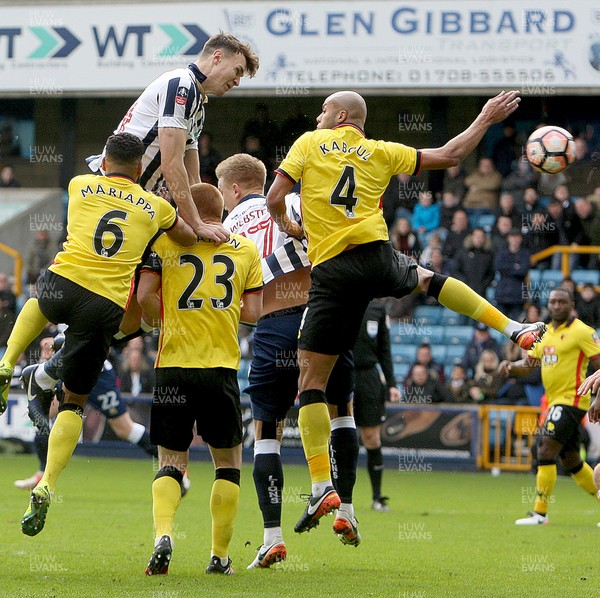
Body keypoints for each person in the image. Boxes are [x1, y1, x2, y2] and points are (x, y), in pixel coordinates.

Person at [265, 89, 547, 535]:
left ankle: (321, 483)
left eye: (323, 111)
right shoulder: (382, 151)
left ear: (339, 115)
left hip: (333, 270)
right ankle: (513, 327)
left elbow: (275, 195)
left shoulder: (307, 143)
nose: (318, 116)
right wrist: (485, 117)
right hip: (376, 256)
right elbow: (452, 156)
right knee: (427, 279)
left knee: (311, 383)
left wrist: (288, 222)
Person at [0, 33, 260, 402]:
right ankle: (48, 358)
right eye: (236, 71)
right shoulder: (181, 87)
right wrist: (197, 225)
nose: (236, 81)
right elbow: (171, 165)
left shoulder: (196, 102)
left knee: (135, 312)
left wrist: (201, 213)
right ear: (216, 57)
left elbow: (190, 171)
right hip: (119, 196)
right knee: (109, 298)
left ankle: (48, 369)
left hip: (139, 204)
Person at [13, 132, 196, 537]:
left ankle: (24, 369)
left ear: (105, 161)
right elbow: (181, 240)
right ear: (138, 169)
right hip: (104, 314)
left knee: (45, 313)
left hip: (64, 289)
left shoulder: (79, 185)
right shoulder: (156, 212)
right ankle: (47, 479)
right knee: (86, 409)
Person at [215, 153, 358, 564]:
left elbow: (237, 301)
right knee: (341, 410)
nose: (224, 199)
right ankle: (343, 507)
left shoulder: (225, 231)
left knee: (266, 434)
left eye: (225, 191)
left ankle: (272, 536)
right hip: (322, 314)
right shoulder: (294, 201)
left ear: (236, 188)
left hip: (274, 324)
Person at [137, 183, 263, 575]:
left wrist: (163, 319)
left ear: (184, 208)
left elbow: (144, 297)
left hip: (173, 367)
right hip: (220, 369)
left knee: (171, 462)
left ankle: (163, 534)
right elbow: (255, 312)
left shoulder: (164, 244)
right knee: (228, 466)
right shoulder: (244, 249)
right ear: (223, 210)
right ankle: (219, 556)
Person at [500, 288, 600, 525]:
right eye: (553, 301)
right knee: (572, 461)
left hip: (573, 400)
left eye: (562, 302)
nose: (556, 306)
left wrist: (598, 398)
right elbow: (529, 364)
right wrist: (510, 366)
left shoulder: (583, 332)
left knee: (544, 448)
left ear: (571, 304)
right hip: (554, 401)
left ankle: (540, 513)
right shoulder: (542, 333)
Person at [15, 336, 158, 491]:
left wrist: (59, 344)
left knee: (124, 428)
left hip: (98, 375)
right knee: (43, 413)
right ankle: (42, 474)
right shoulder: (60, 318)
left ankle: (169, 462)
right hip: (72, 373)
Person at [352, 298, 400, 513]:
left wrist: (392, 384)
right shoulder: (340, 300)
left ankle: (377, 497)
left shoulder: (377, 308)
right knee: (340, 437)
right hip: (342, 372)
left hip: (369, 377)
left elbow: (385, 349)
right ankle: (337, 498)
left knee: (371, 437)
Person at [494, 229, 531, 321]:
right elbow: (498, 266)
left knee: (517, 324)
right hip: (502, 295)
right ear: (508, 239)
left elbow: (523, 270)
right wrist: (515, 267)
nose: (515, 240)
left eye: (517, 237)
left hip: (518, 295)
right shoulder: (501, 253)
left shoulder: (525, 254)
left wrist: (508, 268)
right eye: (513, 237)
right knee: (500, 323)